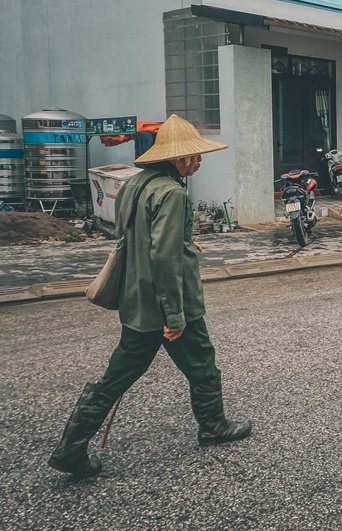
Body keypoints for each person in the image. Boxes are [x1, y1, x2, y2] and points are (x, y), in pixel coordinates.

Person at [48, 114, 251, 477]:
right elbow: (163, 258)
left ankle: (71, 447)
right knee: (202, 361)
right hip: (170, 303)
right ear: (179, 159)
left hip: (136, 299)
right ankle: (214, 426)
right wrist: (174, 317)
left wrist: (184, 238)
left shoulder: (135, 184)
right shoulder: (172, 193)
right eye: (195, 156)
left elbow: (136, 235)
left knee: (117, 375)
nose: (199, 161)